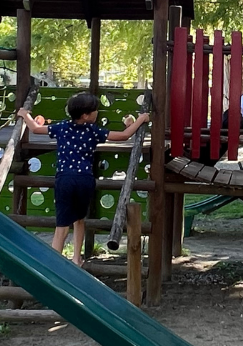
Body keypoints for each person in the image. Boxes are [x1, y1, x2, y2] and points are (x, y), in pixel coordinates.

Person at [19, 92, 150, 263]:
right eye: (95, 110)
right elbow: (123, 136)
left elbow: (35, 129)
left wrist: (25, 115)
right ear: (86, 115)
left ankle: (54, 264)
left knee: (61, 225)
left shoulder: (62, 127)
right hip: (84, 180)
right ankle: (76, 258)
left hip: (64, 179)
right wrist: (141, 119)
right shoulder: (92, 131)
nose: (97, 112)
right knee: (79, 219)